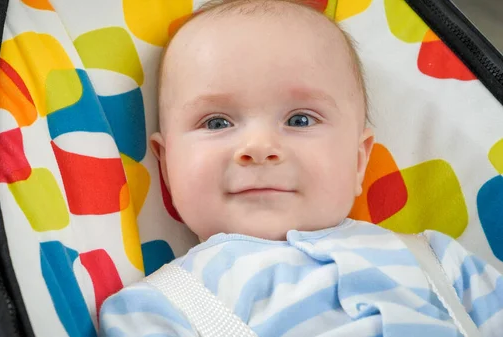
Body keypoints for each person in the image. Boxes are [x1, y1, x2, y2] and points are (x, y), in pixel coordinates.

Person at [99, 0, 503, 335]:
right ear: (166, 166)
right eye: (217, 122)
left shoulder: (442, 261)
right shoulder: (153, 311)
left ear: (358, 160)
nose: (258, 148)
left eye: (300, 120)